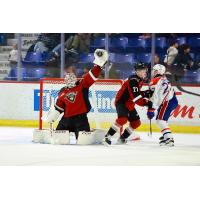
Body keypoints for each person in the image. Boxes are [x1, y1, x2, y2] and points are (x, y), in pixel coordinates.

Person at [43, 49, 108, 139]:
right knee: (58, 138)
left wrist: (99, 64)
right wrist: (53, 115)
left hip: (81, 120)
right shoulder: (62, 91)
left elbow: (92, 75)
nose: (69, 79)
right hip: (66, 120)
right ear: (65, 80)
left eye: (71, 77)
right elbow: (59, 107)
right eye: (68, 78)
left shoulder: (82, 85)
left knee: (84, 141)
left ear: (75, 78)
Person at [103, 63, 153, 145]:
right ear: (136, 72)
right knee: (122, 119)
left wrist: (146, 98)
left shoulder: (140, 80)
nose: (142, 72)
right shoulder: (133, 80)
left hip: (129, 103)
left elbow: (135, 95)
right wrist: (146, 101)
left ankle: (122, 138)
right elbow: (136, 97)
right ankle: (107, 137)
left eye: (143, 70)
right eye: (139, 71)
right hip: (121, 102)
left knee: (136, 123)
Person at [147, 64, 178, 146]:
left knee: (160, 120)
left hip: (167, 101)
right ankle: (165, 137)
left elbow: (155, 96)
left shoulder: (155, 80)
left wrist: (151, 109)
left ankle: (169, 139)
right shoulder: (164, 79)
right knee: (162, 120)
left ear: (157, 71)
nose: (153, 72)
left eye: (154, 70)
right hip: (172, 100)